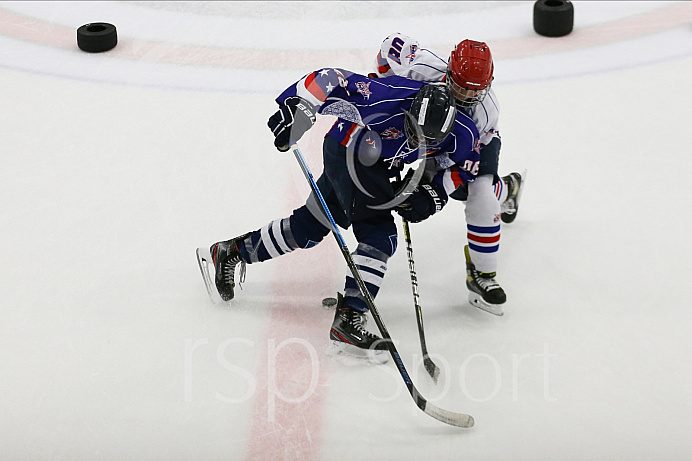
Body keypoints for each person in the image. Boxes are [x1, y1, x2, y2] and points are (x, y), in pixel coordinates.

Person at [200, 68, 481, 358]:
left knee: (307, 228)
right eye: (413, 132)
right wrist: (297, 107)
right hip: (347, 150)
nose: (416, 142)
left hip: (379, 164)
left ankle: (231, 251)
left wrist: (434, 193)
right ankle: (349, 317)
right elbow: (330, 78)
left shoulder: (463, 133)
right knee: (380, 235)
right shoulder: (387, 97)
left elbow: (465, 166)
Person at [373, 33, 525, 315]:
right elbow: (389, 45)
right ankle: (508, 189)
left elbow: (467, 165)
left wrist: (434, 192)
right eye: (462, 87)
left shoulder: (485, 112)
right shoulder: (421, 67)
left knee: (478, 194)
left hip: (466, 141)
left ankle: (482, 274)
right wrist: (382, 83)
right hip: (422, 127)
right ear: (449, 72)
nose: (468, 96)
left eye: (476, 90)